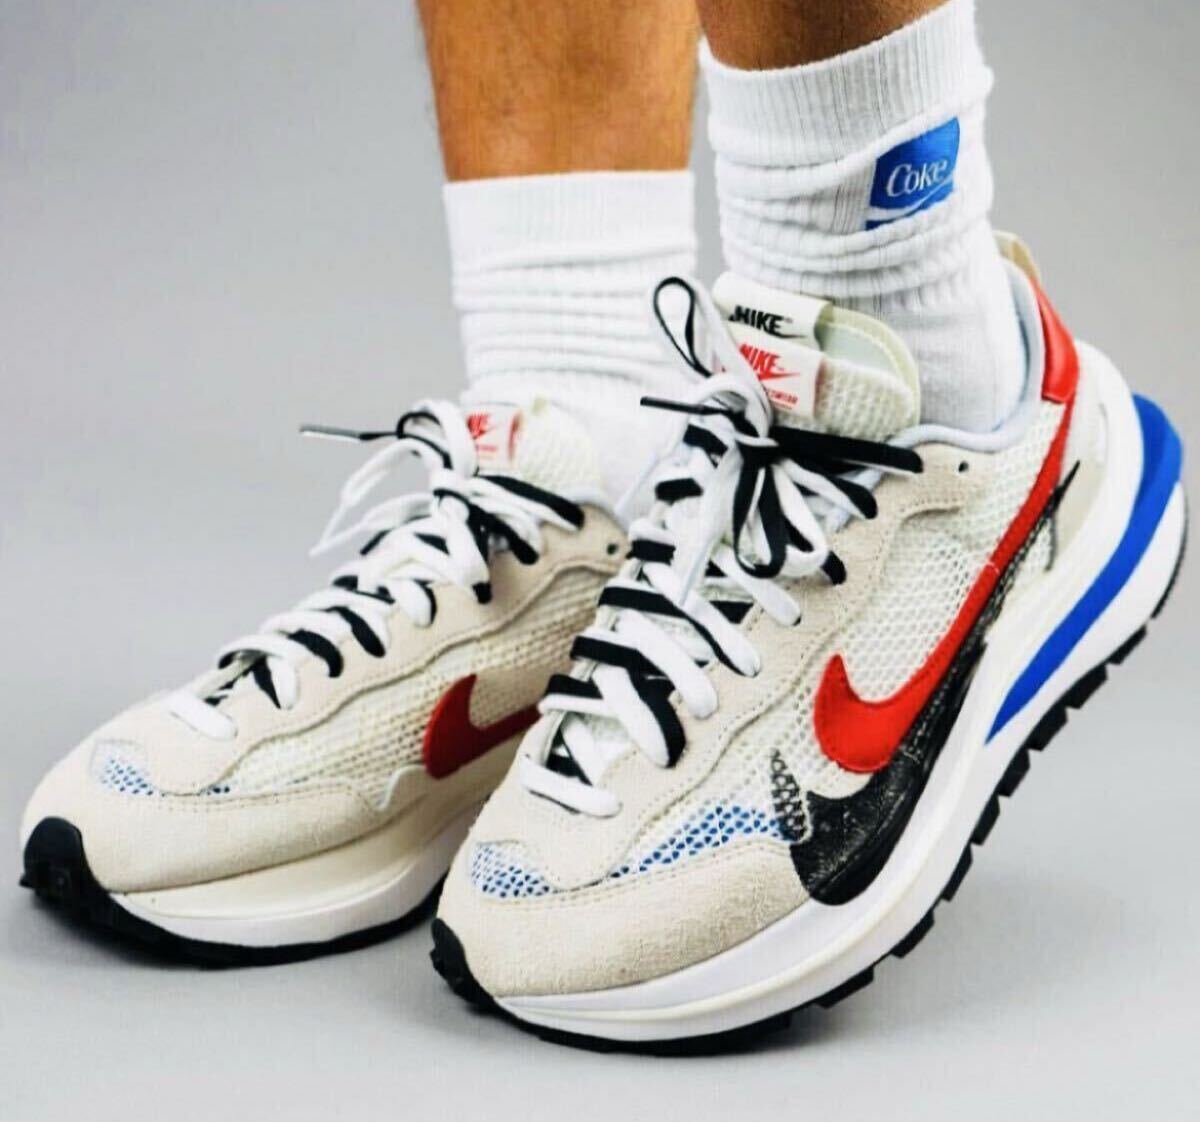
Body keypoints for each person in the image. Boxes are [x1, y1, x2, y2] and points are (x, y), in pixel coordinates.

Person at [22, 0, 1185, 1048]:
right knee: (569, 369)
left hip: (936, 438)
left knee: (872, 318)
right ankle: (589, 419)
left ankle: (937, 385)